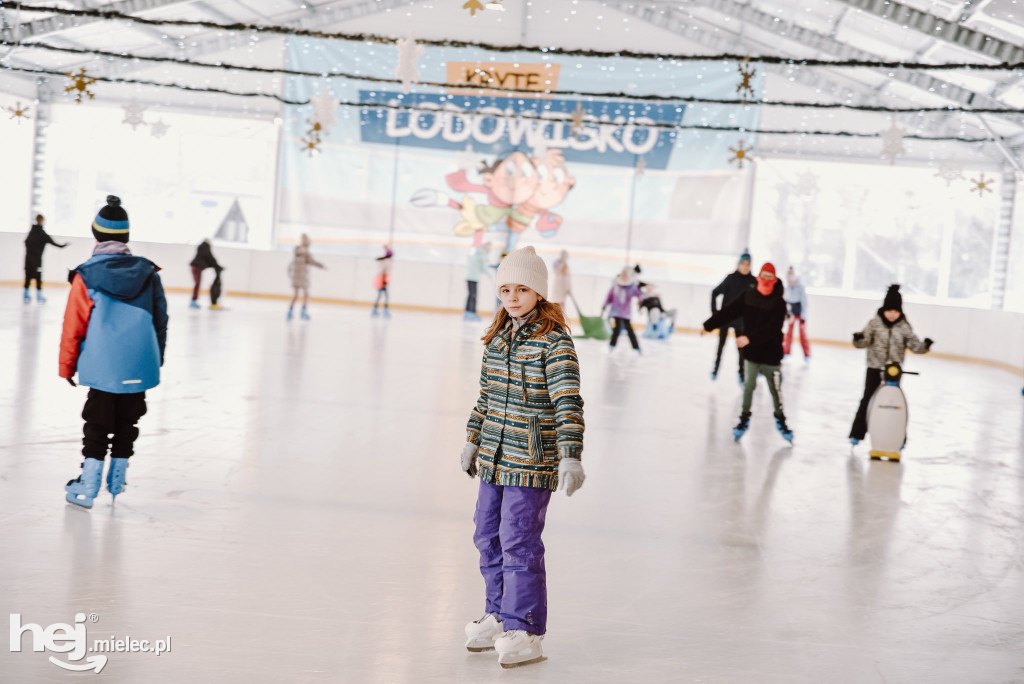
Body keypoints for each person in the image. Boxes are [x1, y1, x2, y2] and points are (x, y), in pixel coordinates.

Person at [461, 245, 585, 669]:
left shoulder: (555, 342)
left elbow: (568, 401)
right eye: (505, 289)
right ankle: (498, 615)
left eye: (522, 289)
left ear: (539, 292)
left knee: (519, 541)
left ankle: (527, 629)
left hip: (531, 461)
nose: (512, 297)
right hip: (494, 456)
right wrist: (473, 438)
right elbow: (486, 398)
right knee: (486, 534)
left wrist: (570, 456)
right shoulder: (497, 338)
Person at [59, 196, 168, 508]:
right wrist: (154, 359)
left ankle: (88, 484)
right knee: (128, 419)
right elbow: (161, 320)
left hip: (103, 365)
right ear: (126, 236)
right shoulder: (148, 273)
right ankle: (117, 480)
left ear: (96, 235)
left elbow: (73, 326)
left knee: (97, 420)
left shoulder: (86, 275)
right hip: (139, 363)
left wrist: (67, 366)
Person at [703, 262, 793, 443]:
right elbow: (729, 311)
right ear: (759, 276)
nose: (766, 280)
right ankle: (744, 420)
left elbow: (773, 329)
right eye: (764, 276)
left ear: (774, 279)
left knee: (775, 390)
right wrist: (709, 325)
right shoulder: (749, 295)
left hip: (771, 356)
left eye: (770, 277)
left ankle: (781, 421)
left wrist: (749, 338)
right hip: (751, 354)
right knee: (748, 387)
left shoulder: (779, 302)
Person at [849, 285, 933, 445]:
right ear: (884, 309)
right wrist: (858, 339)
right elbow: (864, 342)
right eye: (890, 311)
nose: (893, 315)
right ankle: (857, 433)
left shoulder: (904, 327)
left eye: (896, 311)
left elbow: (915, 346)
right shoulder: (874, 323)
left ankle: (898, 438)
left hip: (893, 371)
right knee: (867, 400)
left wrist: (925, 346)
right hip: (875, 368)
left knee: (894, 402)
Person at [710, 251, 756, 383]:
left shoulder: (753, 281)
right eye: (743, 264)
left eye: (748, 264)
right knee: (721, 345)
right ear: (739, 264)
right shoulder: (730, 279)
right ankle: (716, 368)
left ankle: (741, 373)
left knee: (741, 349)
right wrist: (715, 312)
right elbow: (715, 292)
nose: (745, 266)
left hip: (741, 321)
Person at [23, 214, 68, 303]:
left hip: (28, 260)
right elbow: (55, 244)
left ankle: (26, 295)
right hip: (36, 261)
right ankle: (38, 297)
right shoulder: (42, 234)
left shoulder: (32, 232)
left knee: (28, 277)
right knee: (38, 277)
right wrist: (63, 245)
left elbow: (26, 242)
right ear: (42, 221)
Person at [603, 266, 643, 353]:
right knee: (617, 329)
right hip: (616, 311)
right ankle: (612, 345)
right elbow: (609, 296)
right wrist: (605, 304)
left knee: (629, 329)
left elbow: (639, 294)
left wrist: (640, 301)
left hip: (626, 312)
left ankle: (636, 347)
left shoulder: (632, 286)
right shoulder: (616, 285)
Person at [287, 234, 325, 321]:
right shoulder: (307, 254)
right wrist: (321, 266)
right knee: (305, 295)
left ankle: (290, 311)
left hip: (296, 276)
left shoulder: (297, 250)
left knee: (296, 295)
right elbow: (312, 262)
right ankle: (303, 312)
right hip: (302, 277)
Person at [783, 266, 810, 361]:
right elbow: (786, 301)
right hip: (791, 314)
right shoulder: (787, 288)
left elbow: (805, 303)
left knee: (802, 334)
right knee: (788, 333)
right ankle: (786, 352)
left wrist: (803, 316)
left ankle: (807, 355)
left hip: (800, 314)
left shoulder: (801, 288)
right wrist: (787, 313)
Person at [189, 239, 224, 310]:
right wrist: (217, 265)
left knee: (197, 283)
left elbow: (208, 258)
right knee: (197, 283)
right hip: (197, 267)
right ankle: (193, 300)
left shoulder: (202, 247)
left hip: (196, 266)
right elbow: (210, 257)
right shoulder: (205, 247)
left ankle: (194, 300)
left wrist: (216, 265)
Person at [465, 242, 491, 321]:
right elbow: (483, 266)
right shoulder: (481, 254)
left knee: (471, 296)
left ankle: (467, 313)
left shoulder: (477, 253)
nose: (490, 250)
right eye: (489, 247)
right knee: (473, 296)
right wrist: (491, 275)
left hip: (470, 277)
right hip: (473, 277)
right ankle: (471, 313)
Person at [371, 245, 393, 318]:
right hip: (381, 280)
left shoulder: (384, 260)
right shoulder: (386, 261)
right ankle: (382, 309)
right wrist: (384, 282)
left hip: (381, 280)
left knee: (381, 295)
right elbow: (384, 271)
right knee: (384, 296)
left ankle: (376, 308)